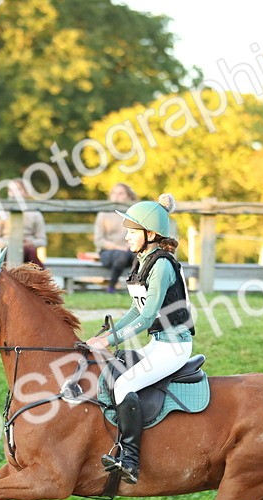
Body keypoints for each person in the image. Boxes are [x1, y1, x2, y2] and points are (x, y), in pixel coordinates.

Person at [85, 193, 194, 484]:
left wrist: (109, 341)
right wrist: (109, 334)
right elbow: (136, 309)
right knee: (114, 371)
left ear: (149, 234)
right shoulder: (143, 261)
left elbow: (146, 319)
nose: (126, 238)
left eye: (131, 233)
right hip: (158, 343)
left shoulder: (161, 266)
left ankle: (130, 460)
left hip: (174, 346)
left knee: (125, 383)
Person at [0, 180, 47, 266]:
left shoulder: (35, 214)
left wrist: (31, 243)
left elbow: (42, 240)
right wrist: (9, 243)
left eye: (18, 189)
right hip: (6, 251)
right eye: (11, 190)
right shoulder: (2, 212)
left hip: (28, 253)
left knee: (33, 259)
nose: (14, 193)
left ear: (26, 192)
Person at [94, 182, 138, 291]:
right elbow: (99, 240)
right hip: (108, 252)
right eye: (114, 193)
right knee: (121, 256)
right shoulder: (103, 214)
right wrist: (118, 247)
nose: (116, 196)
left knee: (141, 256)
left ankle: (140, 288)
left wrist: (130, 245)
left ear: (129, 196)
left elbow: (138, 235)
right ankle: (112, 287)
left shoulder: (134, 214)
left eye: (121, 193)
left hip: (130, 250)